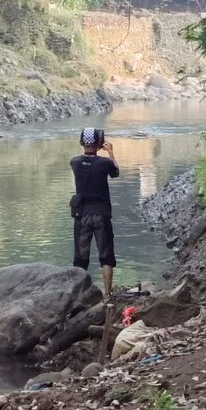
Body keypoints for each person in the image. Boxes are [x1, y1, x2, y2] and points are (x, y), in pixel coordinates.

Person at [71, 127, 119, 296]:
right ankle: (108, 295)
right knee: (106, 255)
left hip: (82, 214)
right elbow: (115, 172)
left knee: (80, 257)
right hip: (101, 214)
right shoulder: (105, 163)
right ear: (99, 143)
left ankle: (78, 295)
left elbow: (87, 163)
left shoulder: (75, 162)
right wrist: (110, 152)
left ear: (82, 143)